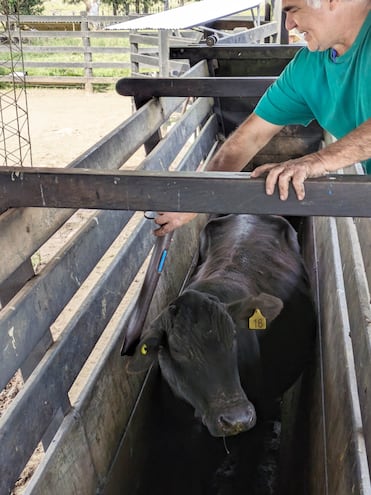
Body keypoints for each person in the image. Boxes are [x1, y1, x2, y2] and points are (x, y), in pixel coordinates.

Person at [153, 0, 371, 237]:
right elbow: (250, 136)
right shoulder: (307, 68)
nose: (289, 25)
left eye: (293, 10)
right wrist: (200, 195)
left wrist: (317, 160)